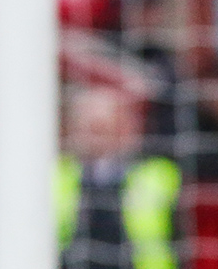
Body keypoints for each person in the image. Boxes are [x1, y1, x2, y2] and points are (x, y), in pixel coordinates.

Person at [57, 86, 180, 269]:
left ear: (127, 129)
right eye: (86, 128)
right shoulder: (57, 175)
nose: (92, 139)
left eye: (101, 129)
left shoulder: (158, 174)